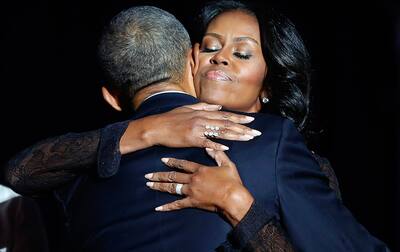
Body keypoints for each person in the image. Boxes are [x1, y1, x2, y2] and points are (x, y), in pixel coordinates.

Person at [3, 1, 385, 251]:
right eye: (210, 46)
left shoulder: (282, 147)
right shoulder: (99, 157)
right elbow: (20, 175)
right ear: (189, 61)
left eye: (242, 53)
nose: (220, 59)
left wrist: (237, 204)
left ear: (268, 86)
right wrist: (148, 130)